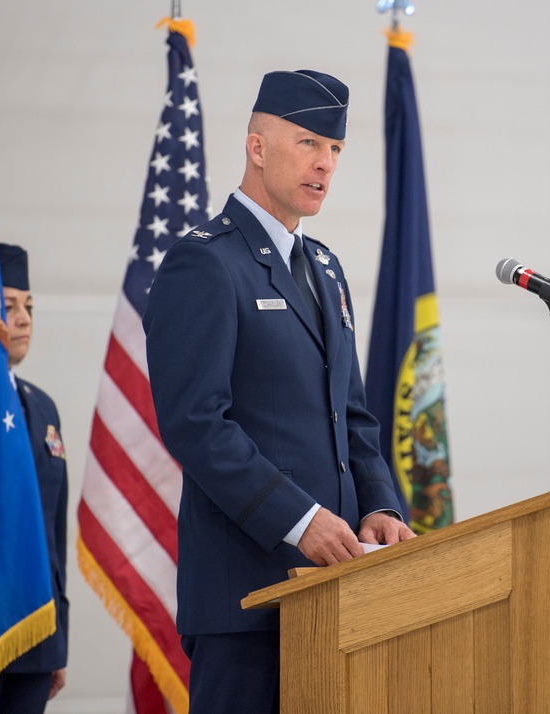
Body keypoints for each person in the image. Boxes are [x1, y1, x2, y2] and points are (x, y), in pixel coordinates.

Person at [143, 69, 416, 714]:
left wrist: (380, 505)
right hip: (248, 596)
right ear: (257, 147)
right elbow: (196, 423)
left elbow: (351, 413)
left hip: (337, 588)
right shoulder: (205, 262)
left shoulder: (323, 266)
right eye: (309, 142)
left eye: (336, 150)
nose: (325, 163)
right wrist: (299, 521)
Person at [0, 244, 69, 713]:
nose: (24, 319)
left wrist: (58, 635)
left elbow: (55, 528)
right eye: (8, 306)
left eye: (29, 307)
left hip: (35, 627)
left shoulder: (42, 407)